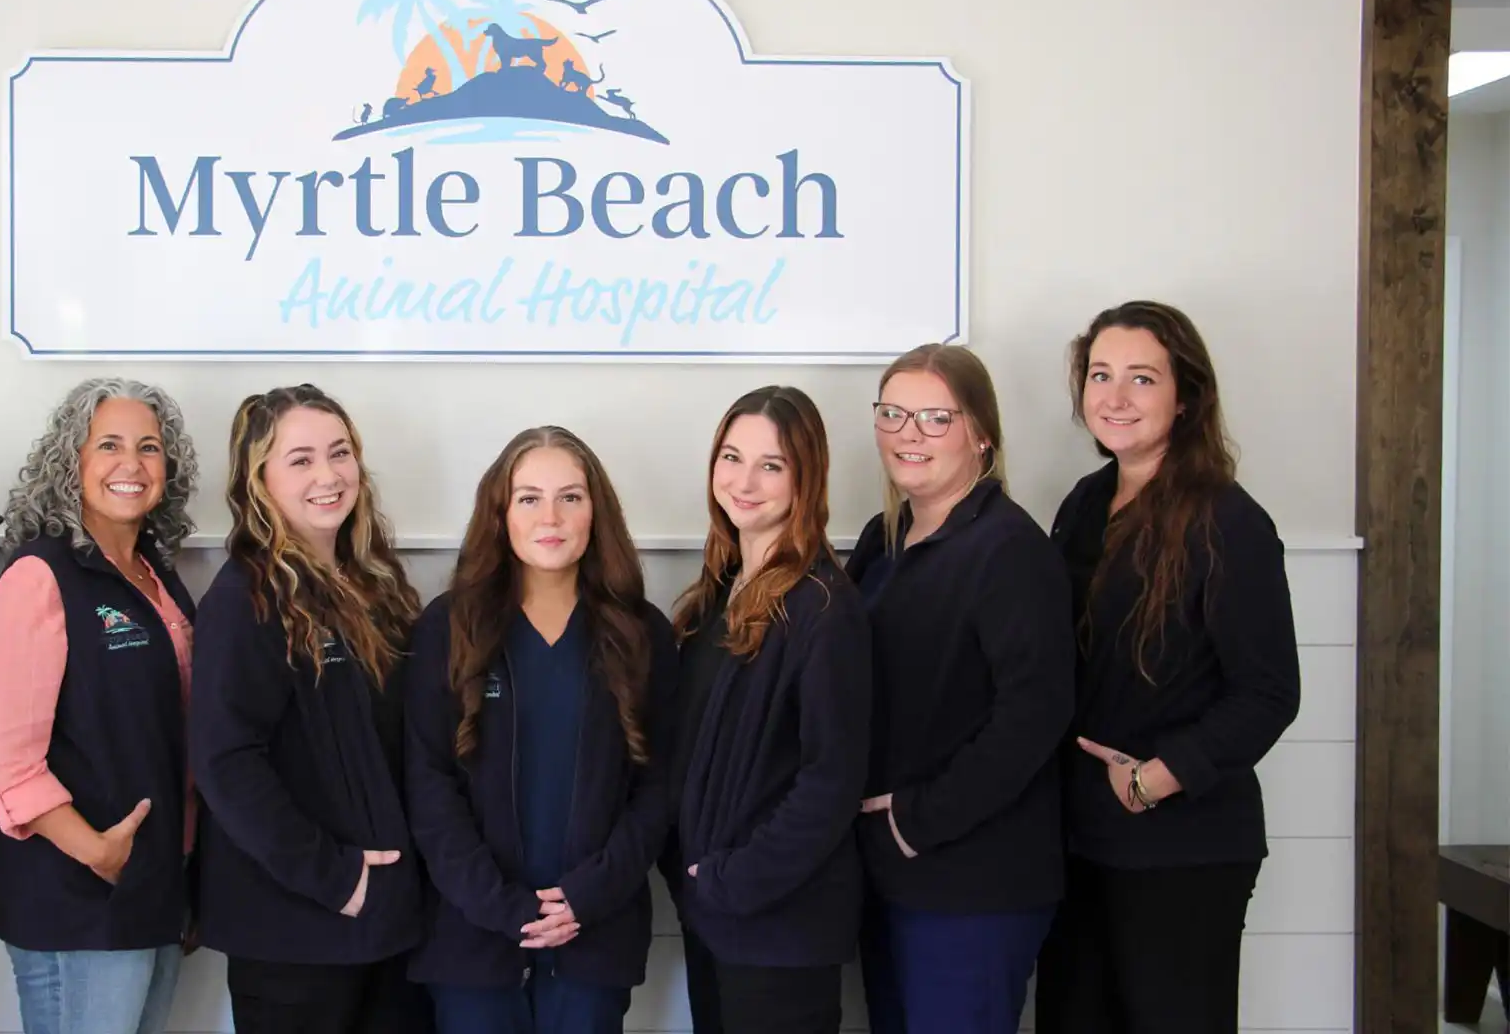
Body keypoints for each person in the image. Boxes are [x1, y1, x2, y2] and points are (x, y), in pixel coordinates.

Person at [1034, 301, 1302, 1034]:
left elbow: (1269, 692)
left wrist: (1155, 779)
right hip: (1080, 840)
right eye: (1100, 375)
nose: (1114, 398)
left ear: (1185, 397)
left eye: (1141, 379)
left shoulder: (1228, 521)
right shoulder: (1085, 503)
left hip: (1180, 846)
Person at [405, 426, 678, 1034]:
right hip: (471, 939)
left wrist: (590, 893)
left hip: (594, 936)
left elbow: (659, 787)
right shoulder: (449, 627)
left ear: (596, 511)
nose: (549, 516)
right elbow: (428, 785)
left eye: (571, 497)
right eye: (528, 497)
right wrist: (500, 905)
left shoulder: (642, 633)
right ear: (500, 513)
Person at [843, 344, 1075, 1033]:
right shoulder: (882, 542)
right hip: (891, 873)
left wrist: (918, 820)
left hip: (975, 884)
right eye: (893, 413)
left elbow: (1036, 713)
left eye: (935, 417)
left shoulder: (1009, 551)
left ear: (981, 435)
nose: (908, 434)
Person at [188, 384, 433, 1033]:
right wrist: (336, 877)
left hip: (386, 924)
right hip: (297, 930)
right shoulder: (247, 598)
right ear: (259, 479)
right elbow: (225, 761)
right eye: (300, 460)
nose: (328, 476)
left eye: (340, 453)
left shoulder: (377, 589)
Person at [0, 378, 202, 1034]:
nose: (132, 464)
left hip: (149, 886)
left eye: (150, 448)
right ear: (72, 462)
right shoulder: (41, 578)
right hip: (78, 890)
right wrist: (96, 851)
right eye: (110, 445)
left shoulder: (157, 578)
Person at [664, 385, 874, 1034]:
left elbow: (830, 780)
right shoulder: (716, 596)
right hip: (714, 915)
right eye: (731, 457)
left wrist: (733, 880)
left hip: (781, 925)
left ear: (805, 479)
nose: (744, 481)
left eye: (771, 465)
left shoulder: (823, 607)